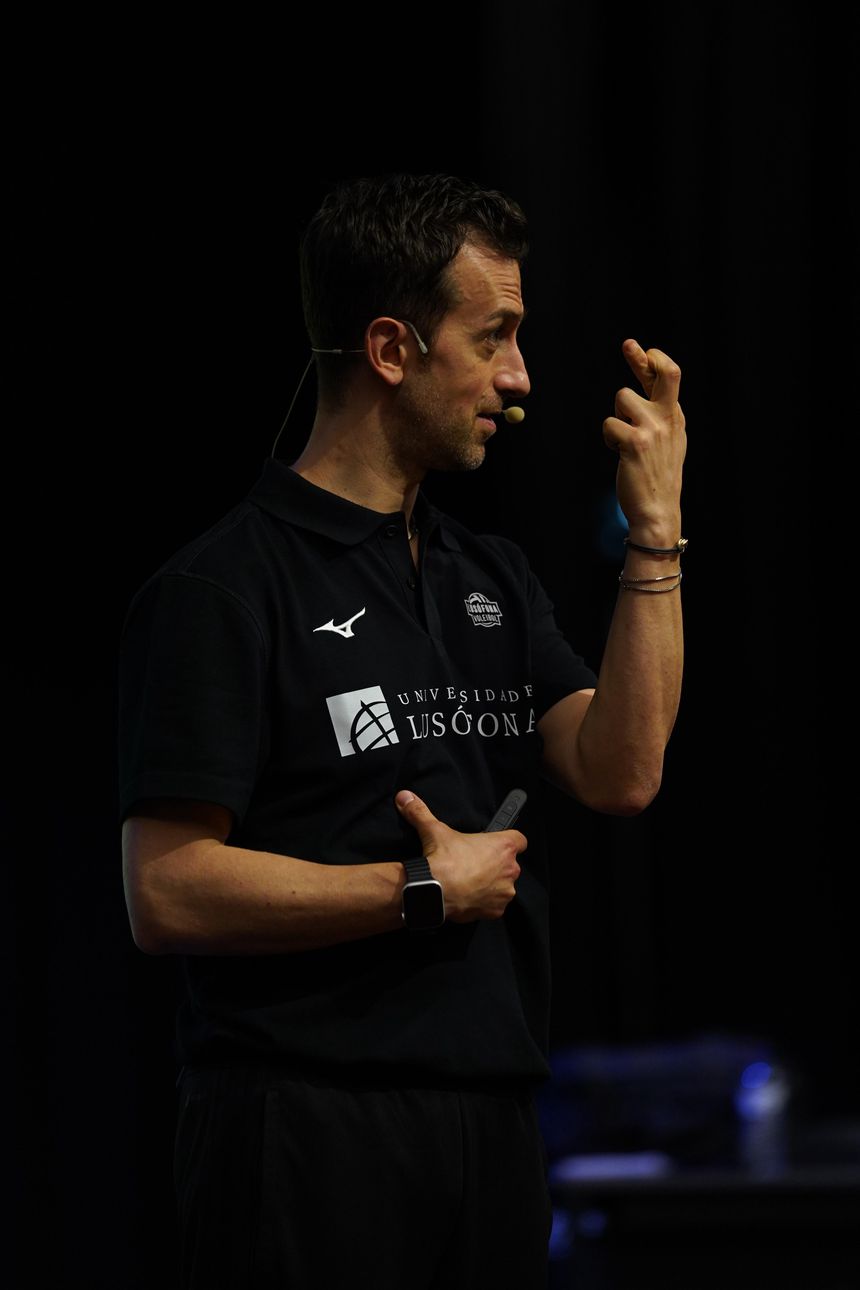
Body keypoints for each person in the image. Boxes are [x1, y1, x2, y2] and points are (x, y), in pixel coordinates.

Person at [118, 172, 686, 1289]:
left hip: (488, 1122)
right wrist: (414, 891)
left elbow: (619, 771)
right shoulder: (225, 589)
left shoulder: (491, 575)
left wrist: (654, 536)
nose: (517, 378)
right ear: (391, 349)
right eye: (493, 339)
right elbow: (166, 891)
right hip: (302, 1132)